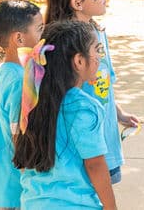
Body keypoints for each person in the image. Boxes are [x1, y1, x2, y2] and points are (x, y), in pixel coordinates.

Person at [44, 0, 139, 184]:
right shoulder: (63, 43)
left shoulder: (98, 33)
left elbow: (103, 83)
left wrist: (119, 113)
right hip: (82, 143)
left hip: (105, 139)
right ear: (77, 1)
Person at [13, 20, 117, 209]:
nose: (99, 57)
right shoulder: (84, 107)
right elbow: (95, 164)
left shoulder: (30, 99)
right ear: (79, 61)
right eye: (97, 50)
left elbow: (18, 145)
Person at [0, 0, 43, 210]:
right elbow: (19, 135)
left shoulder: (3, 71)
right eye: (39, 29)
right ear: (19, 38)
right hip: (18, 188)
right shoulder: (20, 81)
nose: (43, 37)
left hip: (3, 184)